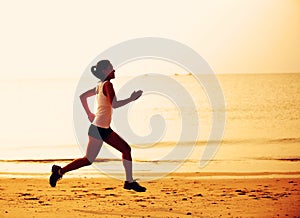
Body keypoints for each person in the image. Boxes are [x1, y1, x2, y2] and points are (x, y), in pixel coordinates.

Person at [49, 60, 146, 192]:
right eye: (111, 68)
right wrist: (132, 98)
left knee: (118, 152)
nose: (114, 70)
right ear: (105, 71)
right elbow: (115, 104)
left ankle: (59, 172)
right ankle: (59, 172)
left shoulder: (100, 85)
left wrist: (89, 113)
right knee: (99, 157)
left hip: (101, 128)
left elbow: (82, 97)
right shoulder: (107, 85)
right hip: (99, 129)